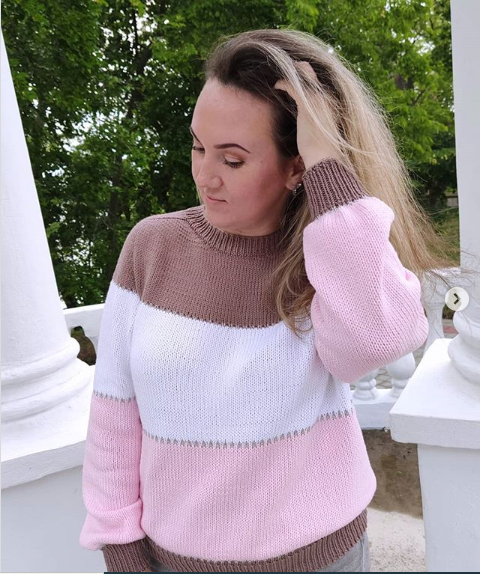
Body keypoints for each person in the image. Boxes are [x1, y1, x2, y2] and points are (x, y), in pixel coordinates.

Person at [79, 28, 458, 573]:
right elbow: (114, 416)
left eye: (232, 160)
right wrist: (121, 549)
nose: (205, 176)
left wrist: (328, 162)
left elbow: (378, 339)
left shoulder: (329, 256)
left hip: (323, 558)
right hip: (175, 561)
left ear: (296, 166)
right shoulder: (152, 247)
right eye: (198, 146)